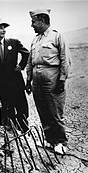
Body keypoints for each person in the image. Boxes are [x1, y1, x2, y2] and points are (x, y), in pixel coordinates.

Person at [26, 9, 71, 154]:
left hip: (52, 79)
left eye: (33, 22)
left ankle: (61, 142)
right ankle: (50, 140)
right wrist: (28, 80)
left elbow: (65, 60)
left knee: (55, 112)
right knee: (43, 111)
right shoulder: (35, 40)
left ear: (42, 21)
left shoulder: (57, 37)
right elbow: (30, 62)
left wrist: (62, 80)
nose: (32, 25)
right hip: (37, 82)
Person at [0, 17, 29, 133]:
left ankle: (24, 130)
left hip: (16, 83)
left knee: (21, 107)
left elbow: (26, 54)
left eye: (4, 27)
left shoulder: (14, 43)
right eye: (0, 28)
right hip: (2, 86)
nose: (3, 30)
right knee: (8, 108)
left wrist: (21, 66)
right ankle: (12, 131)